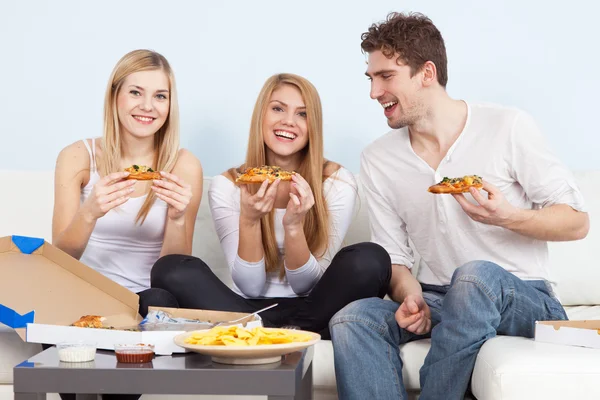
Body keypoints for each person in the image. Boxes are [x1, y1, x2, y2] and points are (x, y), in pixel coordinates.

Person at [329, 12, 590, 400]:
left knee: (473, 279)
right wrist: (412, 298)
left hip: (521, 297)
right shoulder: (379, 159)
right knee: (353, 318)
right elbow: (395, 259)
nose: (373, 92)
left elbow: (577, 222)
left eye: (386, 77)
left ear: (427, 73)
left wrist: (509, 217)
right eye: (371, 78)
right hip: (440, 297)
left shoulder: (507, 126)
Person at [152, 73, 391, 338]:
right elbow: (251, 287)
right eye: (278, 108)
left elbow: (306, 285)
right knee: (170, 269)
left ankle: (281, 331)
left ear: (314, 126)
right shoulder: (229, 184)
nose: (288, 122)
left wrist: (293, 227)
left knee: (371, 258)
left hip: (317, 306)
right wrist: (250, 220)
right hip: (243, 309)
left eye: (302, 114)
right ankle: (273, 332)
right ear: (261, 117)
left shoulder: (335, 182)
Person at [52, 49, 203, 318]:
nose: (147, 106)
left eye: (160, 96)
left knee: (159, 299)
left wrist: (178, 219)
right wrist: (90, 213)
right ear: (114, 96)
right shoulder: (77, 156)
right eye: (135, 92)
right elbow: (61, 259)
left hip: (150, 302)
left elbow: (174, 273)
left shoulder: (184, 165)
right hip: (87, 295)